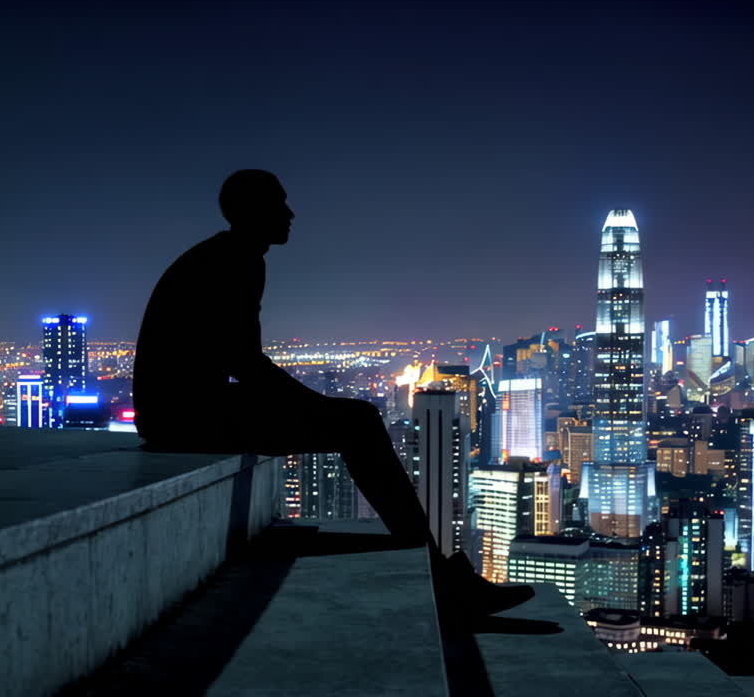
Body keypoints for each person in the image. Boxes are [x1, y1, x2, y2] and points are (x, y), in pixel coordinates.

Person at [133, 169, 533, 618]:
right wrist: (315, 406)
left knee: (356, 419)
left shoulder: (226, 254)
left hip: (182, 411)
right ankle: (443, 578)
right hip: (186, 418)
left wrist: (311, 406)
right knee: (358, 422)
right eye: (279, 203)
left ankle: (441, 574)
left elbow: (237, 361)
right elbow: (244, 361)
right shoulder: (236, 259)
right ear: (252, 211)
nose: (290, 213)